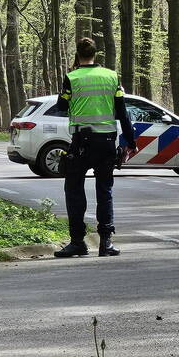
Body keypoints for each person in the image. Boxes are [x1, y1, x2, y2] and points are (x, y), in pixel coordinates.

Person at [54, 38, 136, 258]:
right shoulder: (111, 77)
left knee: (74, 191)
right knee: (105, 192)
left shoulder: (72, 77)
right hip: (107, 143)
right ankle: (105, 243)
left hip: (81, 142)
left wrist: (67, 93)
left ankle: (77, 242)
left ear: (77, 54)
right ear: (96, 54)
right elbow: (122, 112)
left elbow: (61, 106)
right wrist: (131, 141)